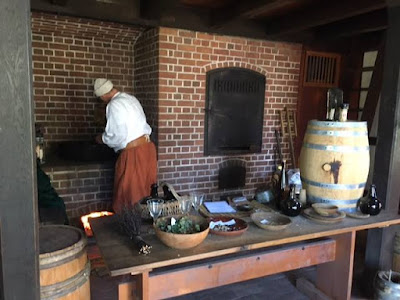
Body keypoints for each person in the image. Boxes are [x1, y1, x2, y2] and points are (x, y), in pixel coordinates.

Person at [94, 78, 157, 213]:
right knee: (146, 193)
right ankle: (145, 226)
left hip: (134, 153)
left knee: (129, 194)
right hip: (148, 149)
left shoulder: (114, 105)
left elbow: (116, 134)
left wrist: (102, 138)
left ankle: (131, 229)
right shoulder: (130, 98)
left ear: (102, 95)